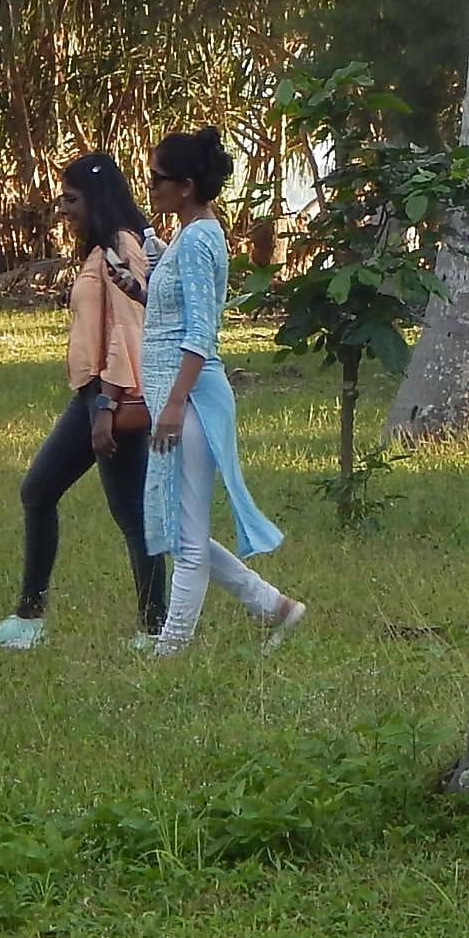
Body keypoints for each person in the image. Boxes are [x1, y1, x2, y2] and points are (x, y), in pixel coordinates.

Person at [0, 152, 166, 650]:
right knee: (42, 493)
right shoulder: (101, 249)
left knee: (130, 515)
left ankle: (154, 629)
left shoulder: (120, 247)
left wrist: (106, 407)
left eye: (72, 199)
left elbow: (128, 332)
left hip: (109, 399)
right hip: (91, 396)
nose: (63, 209)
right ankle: (30, 619)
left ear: (97, 199)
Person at [137, 125, 304, 655]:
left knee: (186, 538)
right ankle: (273, 606)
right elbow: (174, 310)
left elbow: (200, 332)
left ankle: (172, 648)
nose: (151, 187)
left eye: (158, 179)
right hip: (175, 397)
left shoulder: (199, 239)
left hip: (189, 400)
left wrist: (173, 404)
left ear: (185, 186)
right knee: (178, 526)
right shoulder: (187, 237)